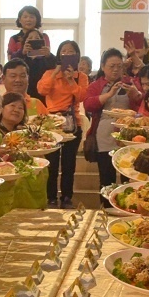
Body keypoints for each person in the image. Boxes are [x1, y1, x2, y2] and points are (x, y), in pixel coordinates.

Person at [37, 40, 89, 207]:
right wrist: (56, 73)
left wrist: (71, 80)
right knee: (51, 164)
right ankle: (51, 197)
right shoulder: (49, 73)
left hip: (73, 123)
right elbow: (42, 90)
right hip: (51, 123)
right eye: (64, 51)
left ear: (77, 56)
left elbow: (82, 97)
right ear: (59, 55)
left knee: (69, 164)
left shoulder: (81, 76)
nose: (67, 53)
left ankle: (67, 197)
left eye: (71, 51)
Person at [84, 48, 143, 194]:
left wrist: (135, 95)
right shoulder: (96, 85)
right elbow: (88, 104)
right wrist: (109, 94)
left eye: (119, 66)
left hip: (127, 136)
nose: (116, 70)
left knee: (128, 176)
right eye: (112, 66)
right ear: (103, 67)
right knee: (106, 177)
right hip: (104, 135)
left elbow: (141, 106)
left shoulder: (130, 82)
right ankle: (107, 209)